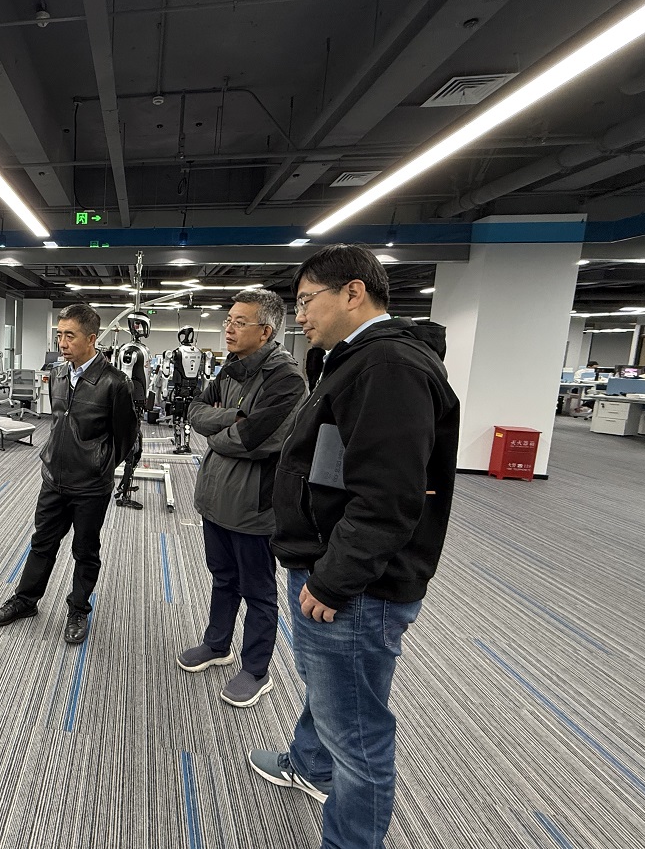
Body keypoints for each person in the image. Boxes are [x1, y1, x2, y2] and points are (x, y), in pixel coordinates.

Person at [248, 244, 459, 849]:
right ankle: (309, 764)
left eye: (306, 302)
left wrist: (333, 580)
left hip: (354, 587)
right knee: (330, 687)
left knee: (358, 734)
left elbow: (388, 497)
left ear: (353, 292)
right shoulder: (356, 360)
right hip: (333, 564)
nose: (299, 317)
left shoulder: (388, 367)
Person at [179, 289, 306, 707]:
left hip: (254, 506)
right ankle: (217, 644)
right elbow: (195, 411)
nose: (228, 329)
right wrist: (230, 419)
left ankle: (256, 669)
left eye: (239, 322)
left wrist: (221, 432)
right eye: (228, 320)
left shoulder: (286, 379)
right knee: (223, 577)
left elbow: (254, 438)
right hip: (216, 497)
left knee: (258, 591)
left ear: (265, 331)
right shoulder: (231, 367)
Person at [0, 303, 137, 644]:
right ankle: (26, 600)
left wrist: (99, 466)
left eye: (70, 335)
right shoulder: (57, 373)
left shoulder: (115, 383)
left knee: (85, 551)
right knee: (42, 542)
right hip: (53, 478)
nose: (62, 342)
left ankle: (78, 609)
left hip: (91, 485)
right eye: (59, 335)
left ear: (91, 339)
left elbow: (126, 437)